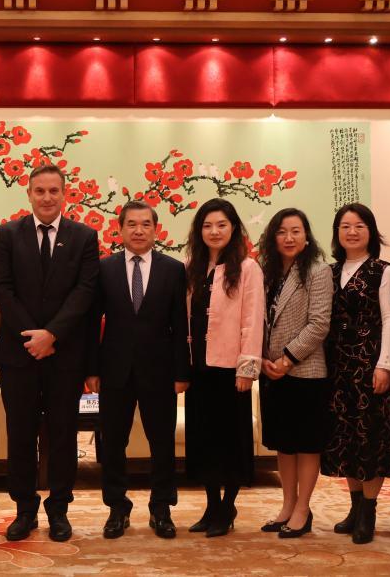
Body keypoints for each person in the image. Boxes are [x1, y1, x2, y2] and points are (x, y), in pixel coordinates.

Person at [0, 164, 100, 542]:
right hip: (19, 355)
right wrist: (33, 337)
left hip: (65, 355)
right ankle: (24, 510)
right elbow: (1, 288)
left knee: (63, 435)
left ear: (64, 194)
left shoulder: (84, 236)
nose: (47, 197)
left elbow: (85, 292)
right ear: (29, 194)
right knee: (20, 434)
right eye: (40, 191)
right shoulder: (7, 234)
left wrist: (52, 335)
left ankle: (59, 509)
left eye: (54, 190)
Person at [86, 200, 190, 540]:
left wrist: (182, 372)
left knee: (162, 442)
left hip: (160, 371)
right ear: (120, 230)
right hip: (114, 369)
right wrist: (91, 369)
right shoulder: (104, 268)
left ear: (156, 230)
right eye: (131, 224)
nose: (139, 230)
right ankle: (117, 508)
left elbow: (180, 324)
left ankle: (161, 508)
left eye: (146, 224)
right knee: (113, 442)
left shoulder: (173, 269)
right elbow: (92, 322)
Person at [320, 203, 390, 544]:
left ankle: (368, 511)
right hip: (336, 367)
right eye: (345, 226)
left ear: (371, 231)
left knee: (370, 439)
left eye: (359, 226)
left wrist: (384, 365)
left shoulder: (383, 271)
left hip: (369, 368)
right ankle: (354, 508)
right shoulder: (329, 271)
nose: (352, 232)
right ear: (337, 233)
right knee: (345, 438)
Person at [183, 198, 263, 538]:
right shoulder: (191, 266)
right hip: (198, 367)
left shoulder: (247, 268)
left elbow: (253, 320)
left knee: (230, 441)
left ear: (233, 229)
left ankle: (227, 506)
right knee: (203, 440)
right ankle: (212, 505)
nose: (214, 231)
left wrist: (247, 367)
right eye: (207, 226)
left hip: (231, 370)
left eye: (221, 225)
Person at [258, 207, 333, 539]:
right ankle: (287, 506)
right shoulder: (267, 272)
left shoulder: (318, 271)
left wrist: (287, 360)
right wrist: (263, 359)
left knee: (306, 444)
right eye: (281, 231)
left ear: (306, 237)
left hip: (305, 371)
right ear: (273, 238)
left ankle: (303, 509)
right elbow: (260, 320)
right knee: (284, 445)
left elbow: (319, 324)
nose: (288, 238)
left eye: (296, 231)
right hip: (271, 370)